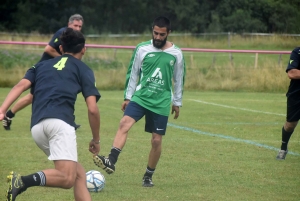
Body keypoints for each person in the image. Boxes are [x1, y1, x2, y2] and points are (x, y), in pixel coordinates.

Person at [0, 28, 101, 201]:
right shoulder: (84, 70)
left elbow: (20, 86)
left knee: (78, 174)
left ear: (61, 48)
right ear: (84, 49)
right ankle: (22, 181)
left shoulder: (40, 65)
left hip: (37, 128)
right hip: (60, 125)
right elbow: (92, 109)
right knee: (67, 178)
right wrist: (96, 140)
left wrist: (2, 110)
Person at [93, 16, 186, 187]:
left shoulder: (177, 53)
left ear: (168, 33)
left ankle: (148, 176)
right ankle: (111, 160)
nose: (158, 37)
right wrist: (128, 97)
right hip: (141, 97)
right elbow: (133, 73)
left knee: (156, 141)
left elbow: (179, 79)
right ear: (152, 30)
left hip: (161, 101)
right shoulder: (142, 48)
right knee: (124, 123)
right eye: (155, 33)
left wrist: (177, 102)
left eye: (162, 34)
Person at [2, 14, 84, 131]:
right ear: (69, 24)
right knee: (32, 96)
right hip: (45, 70)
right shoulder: (62, 32)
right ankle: (9, 114)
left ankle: (68, 120)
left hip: (56, 70)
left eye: (80, 26)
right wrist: (64, 59)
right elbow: (48, 49)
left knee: (61, 92)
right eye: (75, 25)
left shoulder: (76, 38)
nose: (77, 29)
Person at [276, 47, 300, 160]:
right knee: (290, 125)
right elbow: (292, 73)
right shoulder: (297, 52)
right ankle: (283, 147)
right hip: (297, 94)